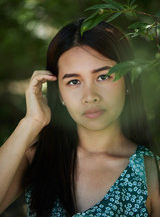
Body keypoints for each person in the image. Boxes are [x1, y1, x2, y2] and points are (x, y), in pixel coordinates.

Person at [0, 19, 160, 217]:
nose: (90, 96)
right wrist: (30, 122)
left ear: (127, 80)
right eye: (74, 81)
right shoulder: (37, 158)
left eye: (103, 76)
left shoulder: (151, 173)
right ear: (59, 93)